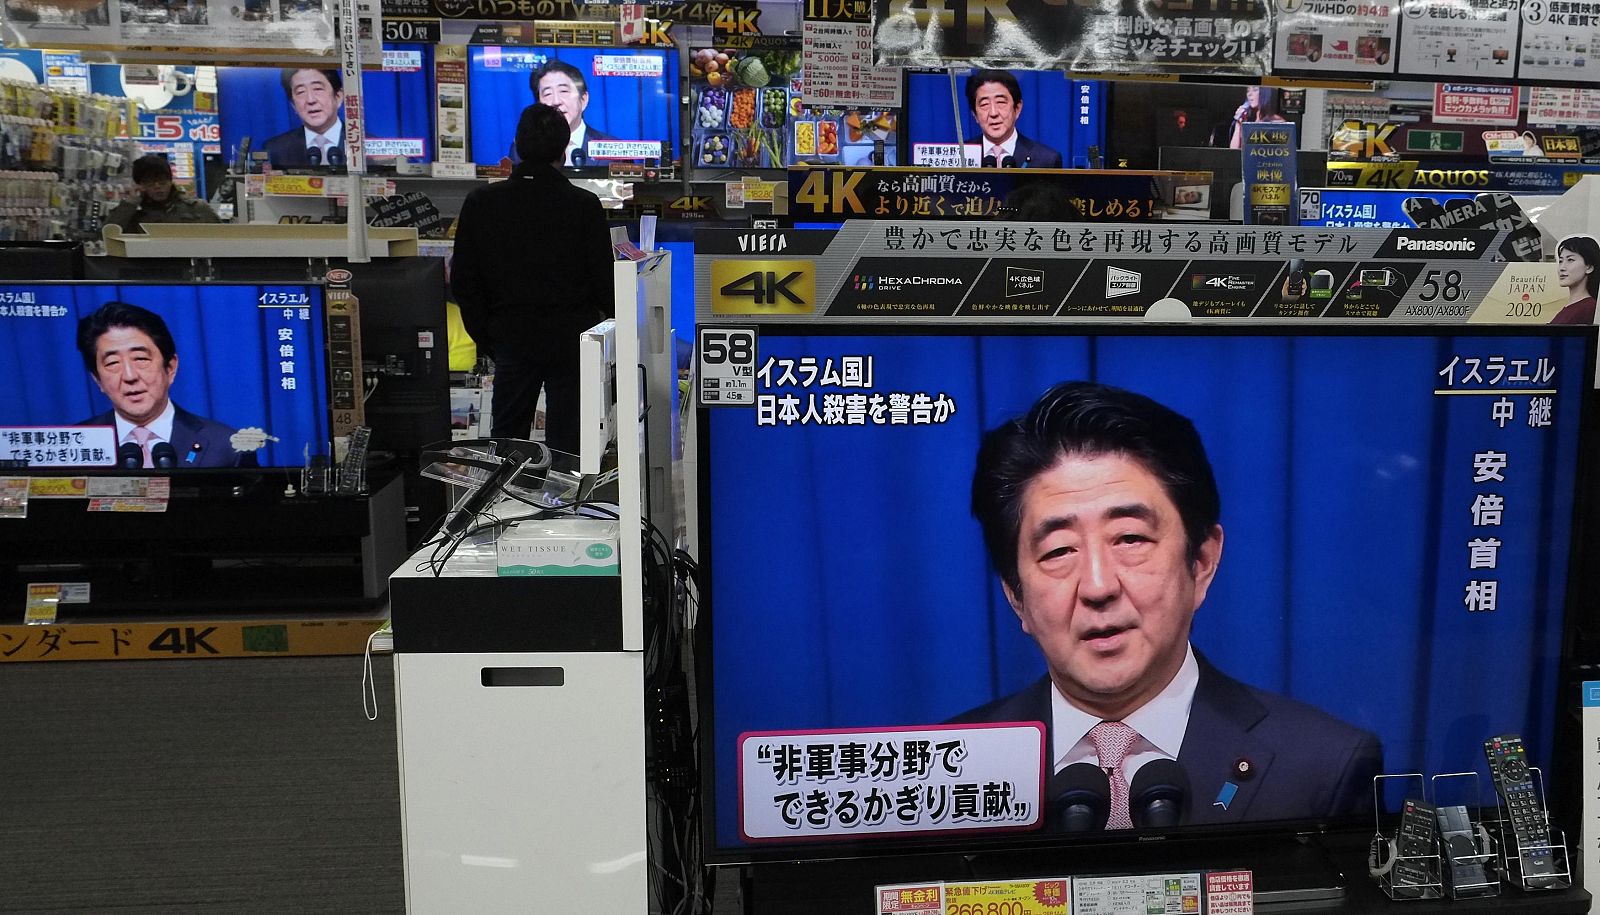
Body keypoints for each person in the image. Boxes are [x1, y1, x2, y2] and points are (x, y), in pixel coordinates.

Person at [952, 382, 1382, 829]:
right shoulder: (949, 772)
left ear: (1201, 562)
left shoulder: (1323, 766)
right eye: (1059, 550)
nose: (1098, 586)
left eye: (1131, 539)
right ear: (1015, 595)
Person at [450, 104, 614, 455]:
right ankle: (565, 506)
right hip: (572, 339)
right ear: (564, 148)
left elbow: (464, 282)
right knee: (570, 442)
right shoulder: (582, 205)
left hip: (511, 337)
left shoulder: (482, 202)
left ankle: (504, 505)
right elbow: (604, 283)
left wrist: (491, 337)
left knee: (508, 439)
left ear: (517, 145)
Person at [75, 302, 254, 468]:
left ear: (170, 368)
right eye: (113, 363)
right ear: (97, 379)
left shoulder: (226, 446)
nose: (130, 376)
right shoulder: (74, 445)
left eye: (141, 359)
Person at [508, 59, 616, 168]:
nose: (556, 101)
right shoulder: (521, 150)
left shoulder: (614, 149)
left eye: (563, 91)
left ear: (583, 99)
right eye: (548, 93)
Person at [965, 70, 1062, 169]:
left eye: (1001, 102)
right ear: (974, 114)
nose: (993, 113)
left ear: (1017, 108)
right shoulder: (961, 155)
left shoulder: (1047, 160)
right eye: (984, 104)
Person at [103, 155, 220, 232]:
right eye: (150, 182)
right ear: (140, 185)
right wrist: (130, 204)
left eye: (162, 181)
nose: (157, 187)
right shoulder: (133, 214)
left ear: (170, 181)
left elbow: (222, 235)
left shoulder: (197, 208)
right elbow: (106, 235)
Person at [261, 68, 346, 169]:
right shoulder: (275, 149)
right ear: (293, 105)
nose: (310, 100)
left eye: (318, 89)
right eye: (301, 92)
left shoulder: (363, 144)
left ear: (338, 96)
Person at [1551, 235, 1599, 325]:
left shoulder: (1588, 308)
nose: (1562, 268)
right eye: (1560, 261)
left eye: (1570, 260)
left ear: (1589, 267)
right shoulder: (1572, 307)